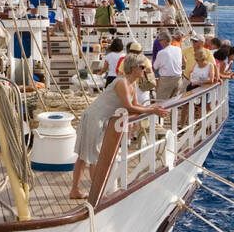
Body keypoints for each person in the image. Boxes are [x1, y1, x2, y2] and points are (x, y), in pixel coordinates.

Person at [68, 54, 167, 200]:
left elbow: (135, 106)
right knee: (92, 157)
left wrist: (152, 107)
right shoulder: (121, 83)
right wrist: (152, 110)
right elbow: (128, 106)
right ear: (134, 68)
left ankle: (76, 191)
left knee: (86, 156)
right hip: (94, 118)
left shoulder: (131, 84)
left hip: (99, 118)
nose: (145, 70)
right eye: (142, 67)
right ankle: (97, 194)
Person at [152, 33, 185, 100]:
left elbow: (155, 66)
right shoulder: (178, 49)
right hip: (178, 79)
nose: (159, 42)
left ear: (165, 40)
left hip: (166, 80)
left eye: (160, 40)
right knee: (174, 103)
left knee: (161, 103)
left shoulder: (162, 52)